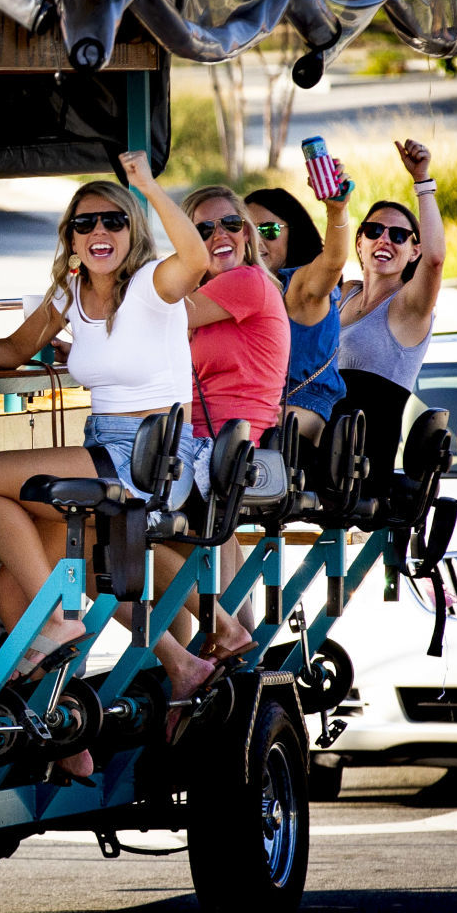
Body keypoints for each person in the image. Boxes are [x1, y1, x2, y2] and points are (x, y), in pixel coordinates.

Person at [0, 152, 218, 779]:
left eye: (111, 222)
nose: (98, 234)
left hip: (151, 457)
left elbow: (199, 260)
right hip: (102, 449)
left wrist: (149, 187)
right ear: (69, 237)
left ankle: (58, 623)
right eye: (84, 224)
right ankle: (67, 719)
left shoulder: (154, 286)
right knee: (11, 587)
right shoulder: (69, 294)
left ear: (132, 232)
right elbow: (15, 350)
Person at [147, 185, 291, 727]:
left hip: (226, 450)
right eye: (202, 230)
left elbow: (162, 313)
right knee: (214, 588)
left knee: (124, 535)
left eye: (229, 224)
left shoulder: (249, 282)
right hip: (202, 447)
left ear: (248, 231)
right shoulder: (218, 294)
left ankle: (214, 688)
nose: (218, 237)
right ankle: (208, 684)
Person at [334, 140, 444, 496]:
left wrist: (422, 181)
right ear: (360, 242)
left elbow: (436, 260)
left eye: (398, 235)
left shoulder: (408, 308)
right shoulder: (345, 293)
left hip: (358, 462)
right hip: (318, 443)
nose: (385, 239)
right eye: (374, 231)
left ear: (414, 250)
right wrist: (334, 206)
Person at [245, 173, 354, 458]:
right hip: (254, 426)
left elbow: (332, 262)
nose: (256, 242)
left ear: (294, 232)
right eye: (245, 231)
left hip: (292, 437)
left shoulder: (299, 287)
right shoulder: (240, 288)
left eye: (267, 230)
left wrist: (336, 211)